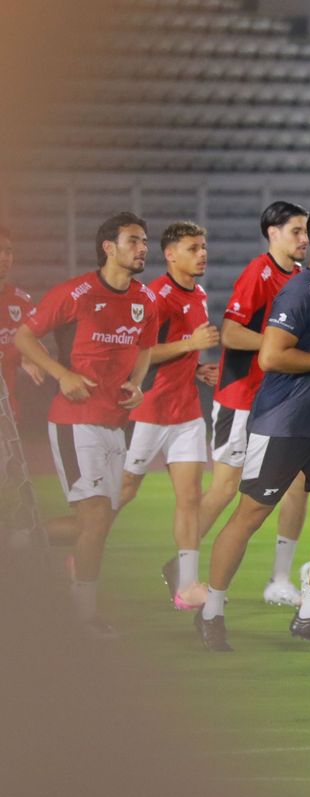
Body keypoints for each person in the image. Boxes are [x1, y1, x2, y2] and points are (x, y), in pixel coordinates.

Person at [195, 206, 310, 652]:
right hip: (284, 422)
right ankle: (211, 611)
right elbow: (271, 357)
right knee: (250, 515)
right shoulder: (299, 291)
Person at [15, 212, 158, 637]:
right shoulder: (75, 293)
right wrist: (62, 374)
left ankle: (18, 542)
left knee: (92, 525)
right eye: (133, 241)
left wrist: (136, 384)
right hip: (75, 421)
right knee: (95, 519)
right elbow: (25, 336)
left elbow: (146, 347)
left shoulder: (146, 300)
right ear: (108, 248)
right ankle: (82, 617)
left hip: (115, 424)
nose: (142, 248)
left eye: (144, 241)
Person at [197, 201, 310, 607]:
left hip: (279, 401)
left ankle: (280, 579)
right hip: (242, 400)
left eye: (306, 232)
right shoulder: (258, 273)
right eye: (296, 231)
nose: (304, 239)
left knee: (298, 484)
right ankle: (183, 567)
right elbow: (230, 333)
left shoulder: (300, 278)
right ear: (273, 233)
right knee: (225, 488)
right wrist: (275, 344)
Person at [117, 222, 220, 610]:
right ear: (171, 254)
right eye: (193, 248)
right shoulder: (156, 296)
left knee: (190, 498)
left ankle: (187, 586)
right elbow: (138, 352)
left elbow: (175, 352)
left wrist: (196, 367)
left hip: (187, 411)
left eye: (204, 247)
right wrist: (190, 344)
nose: (202, 254)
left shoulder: (200, 293)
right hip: (149, 410)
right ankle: (84, 548)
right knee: (123, 491)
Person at [0, 226, 42, 419]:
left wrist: (28, 358)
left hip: (7, 410)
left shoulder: (21, 301)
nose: (4, 257)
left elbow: (33, 348)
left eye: (8, 251)